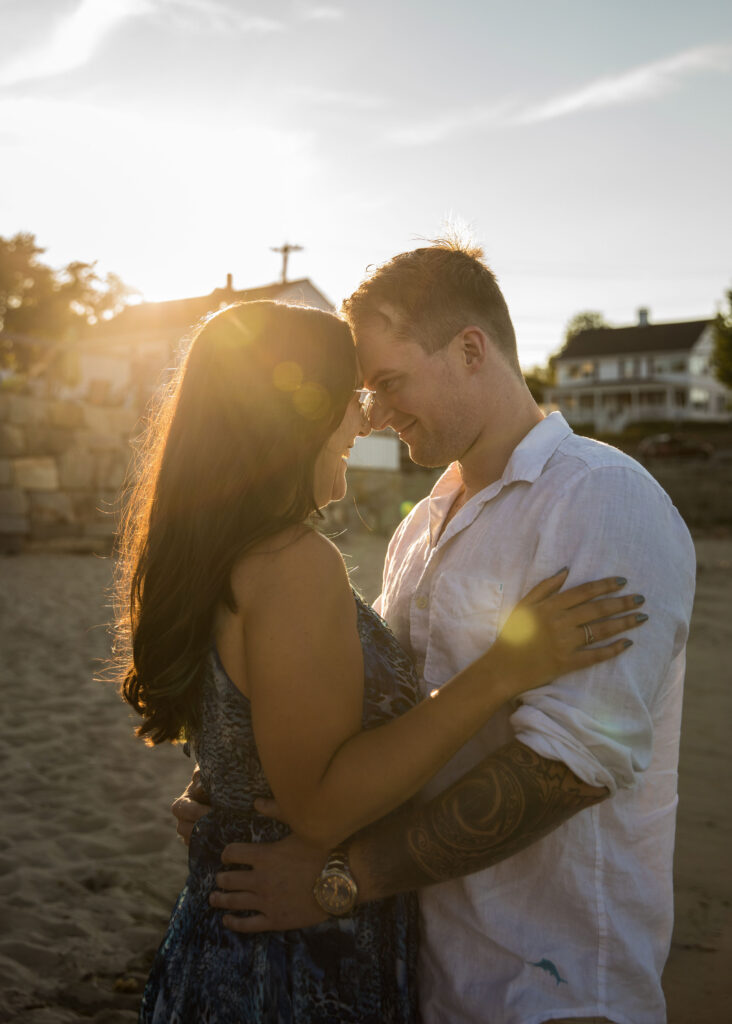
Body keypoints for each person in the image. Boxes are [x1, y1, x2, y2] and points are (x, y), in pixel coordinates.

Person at [175, 242, 696, 1024]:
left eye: (389, 382)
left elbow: (569, 768)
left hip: (551, 986)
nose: (375, 413)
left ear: (471, 350)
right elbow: (377, 725)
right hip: (422, 977)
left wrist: (337, 879)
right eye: (366, 389)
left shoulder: (602, 500)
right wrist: (236, 785)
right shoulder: (421, 526)